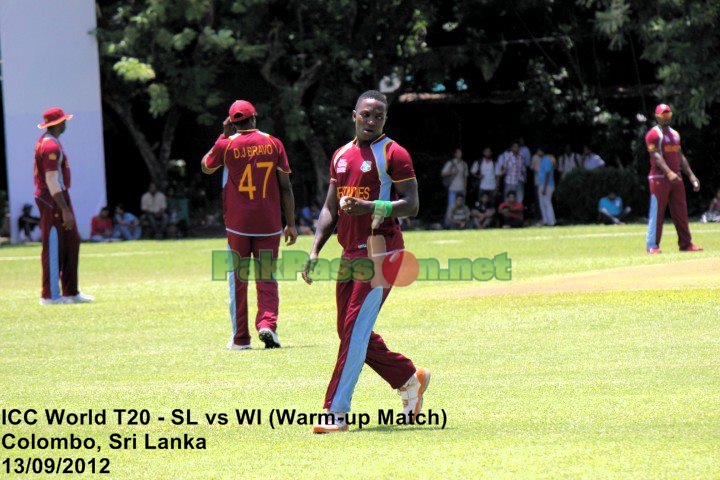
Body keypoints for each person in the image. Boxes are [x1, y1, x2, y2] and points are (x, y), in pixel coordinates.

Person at [301, 90, 430, 434]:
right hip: (350, 253)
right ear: (354, 115)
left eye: (378, 116)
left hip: (381, 251)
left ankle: (335, 412)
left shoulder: (393, 153)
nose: (371, 121)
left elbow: (413, 204)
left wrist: (371, 207)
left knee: (355, 331)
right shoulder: (341, 155)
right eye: (365, 115)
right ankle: (407, 377)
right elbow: (330, 208)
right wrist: (314, 251)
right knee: (349, 330)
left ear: (384, 120)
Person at [201, 99, 298, 350]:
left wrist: (222, 136)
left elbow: (206, 167)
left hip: (238, 224)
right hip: (269, 222)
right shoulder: (273, 143)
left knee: (238, 280)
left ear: (232, 122)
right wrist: (291, 224)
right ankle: (268, 325)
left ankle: (241, 338)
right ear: (255, 118)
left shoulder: (227, 145)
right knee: (267, 277)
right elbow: (285, 186)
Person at [33, 107, 93, 304]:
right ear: (58, 123)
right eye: (64, 120)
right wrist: (64, 209)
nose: (66, 123)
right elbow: (51, 180)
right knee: (53, 244)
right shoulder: (50, 146)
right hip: (52, 199)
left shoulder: (51, 142)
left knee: (71, 242)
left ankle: (70, 291)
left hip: (59, 196)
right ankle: (50, 295)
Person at [644, 104, 702, 253]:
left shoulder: (675, 134)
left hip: (676, 178)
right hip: (659, 178)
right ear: (657, 117)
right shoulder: (653, 134)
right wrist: (669, 172)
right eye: (664, 115)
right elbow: (655, 155)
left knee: (681, 212)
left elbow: (680, 156)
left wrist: (691, 175)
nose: (667, 118)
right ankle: (652, 245)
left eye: (668, 114)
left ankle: (686, 244)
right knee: (657, 212)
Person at [441, 148, 468, 213]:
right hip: (452, 188)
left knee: (461, 206)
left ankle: (460, 221)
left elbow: (465, 177)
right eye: (458, 153)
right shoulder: (450, 163)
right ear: (455, 154)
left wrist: (465, 188)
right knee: (451, 206)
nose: (460, 154)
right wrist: (452, 172)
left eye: (461, 153)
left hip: (461, 188)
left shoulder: (464, 164)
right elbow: (443, 173)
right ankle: (449, 221)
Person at [536, 147, 556, 226]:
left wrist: (545, 187)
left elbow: (548, 173)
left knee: (547, 202)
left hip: (547, 185)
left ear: (542, 152)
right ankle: (546, 220)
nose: (537, 153)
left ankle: (551, 221)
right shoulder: (542, 160)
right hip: (542, 184)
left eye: (538, 151)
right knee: (542, 203)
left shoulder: (546, 160)